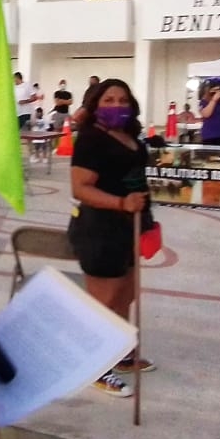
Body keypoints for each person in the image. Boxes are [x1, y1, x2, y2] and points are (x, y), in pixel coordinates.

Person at [68, 79, 156, 396]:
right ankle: (95, 366)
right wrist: (121, 203)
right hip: (100, 229)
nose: (116, 105)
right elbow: (80, 188)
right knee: (102, 303)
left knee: (125, 295)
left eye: (122, 99)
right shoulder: (91, 139)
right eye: (108, 99)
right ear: (95, 105)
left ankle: (119, 353)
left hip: (131, 226)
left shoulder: (130, 135)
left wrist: (144, 218)